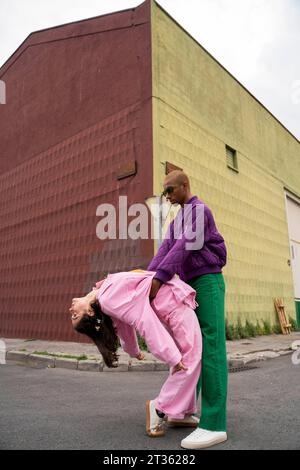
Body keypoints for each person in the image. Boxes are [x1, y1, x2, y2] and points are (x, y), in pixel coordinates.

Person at [148, 170, 228, 450]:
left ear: (185, 186)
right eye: (164, 192)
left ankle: (214, 424)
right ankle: (182, 410)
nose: (167, 196)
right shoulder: (177, 220)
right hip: (188, 285)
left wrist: (160, 278)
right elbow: (166, 249)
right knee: (190, 348)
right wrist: (147, 279)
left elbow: (183, 248)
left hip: (207, 281)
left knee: (211, 347)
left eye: (170, 190)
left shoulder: (199, 211)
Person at [70, 269, 202, 438]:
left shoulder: (104, 293)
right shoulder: (108, 299)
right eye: (75, 315)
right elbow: (144, 321)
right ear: (89, 312)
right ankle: (159, 408)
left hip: (169, 302)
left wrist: (133, 351)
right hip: (172, 304)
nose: (70, 308)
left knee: (187, 359)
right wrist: (170, 356)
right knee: (189, 360)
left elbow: (125, 327)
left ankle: (180, 413)